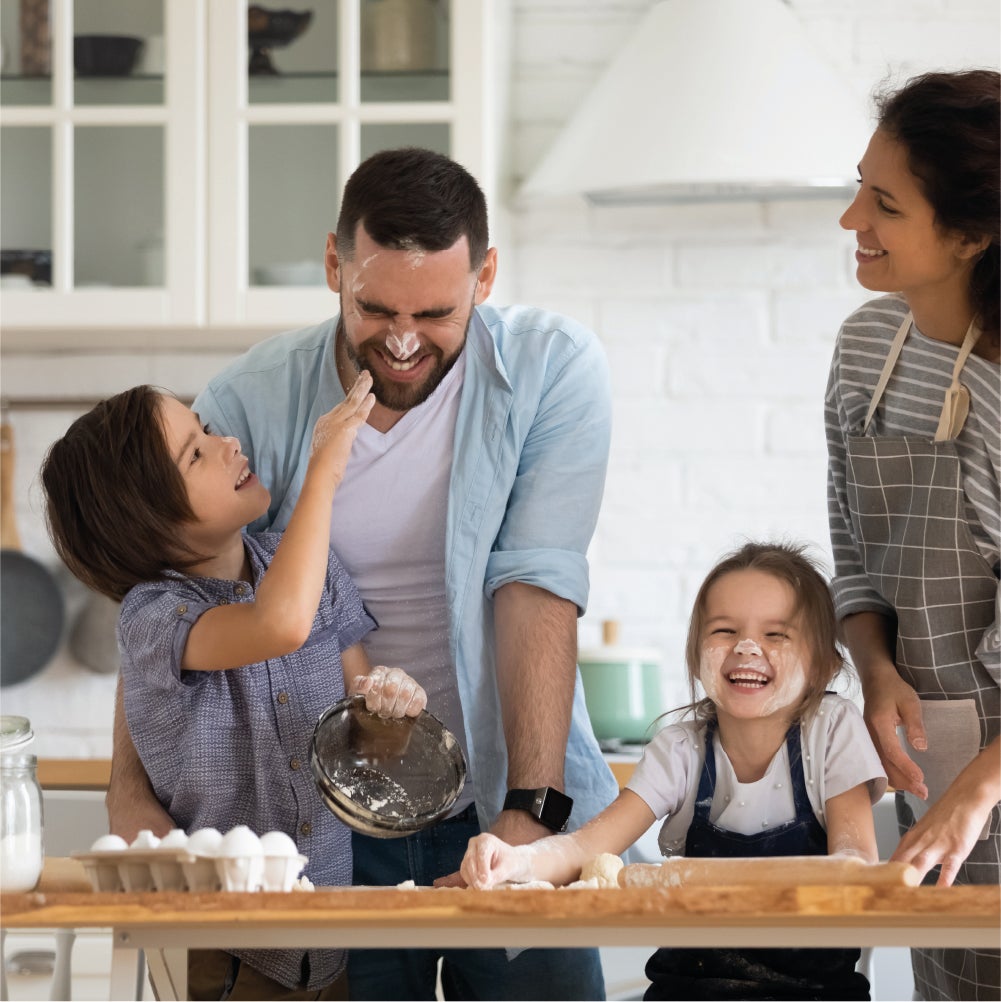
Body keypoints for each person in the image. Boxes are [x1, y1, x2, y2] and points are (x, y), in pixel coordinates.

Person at [103, 146, 619, 1000]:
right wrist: (132, 799)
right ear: (335, 265)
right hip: (325, 822)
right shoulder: (249, 406)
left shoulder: (550, 371)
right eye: (375, 308)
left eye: (437, 312)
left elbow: (534, 585)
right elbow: (167, 606)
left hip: (509, 800)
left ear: (485, 275)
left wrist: (531, 812)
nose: (404, 341)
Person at [41, 372, 430, 1000]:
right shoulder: (153, 618)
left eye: (208, 430)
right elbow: (276, 624)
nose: (229, 446)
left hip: (331, 947)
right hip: (226, 956)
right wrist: (325, 470)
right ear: (147, 521)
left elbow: (367, 751)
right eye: (195, 453)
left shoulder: (314, 570)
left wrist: (390, 710)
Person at [461, 541, 887, 1001]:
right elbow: (587, 848)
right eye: (724, 630)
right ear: (694, 654)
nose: (746, 648)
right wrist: (516, 861)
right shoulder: (681, 749)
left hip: (815, 991)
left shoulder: (832, 730)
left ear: (824, 665)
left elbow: (855, 865)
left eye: (776, 635)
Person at [825, 69, 1000, 1001]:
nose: (852, 218)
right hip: (933, 764)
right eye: (859, 185)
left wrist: (979, 788)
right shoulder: (863, 350)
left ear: (971, 234)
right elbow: (852, 556)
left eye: (884, 203)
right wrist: (877, 668)